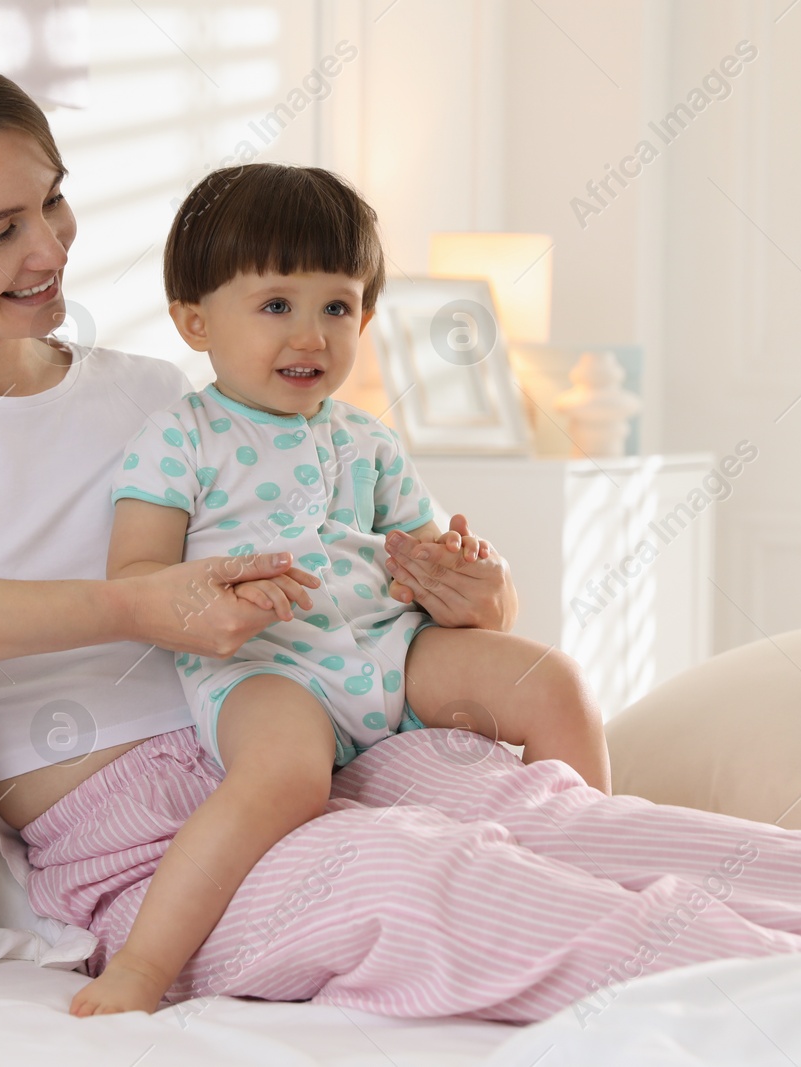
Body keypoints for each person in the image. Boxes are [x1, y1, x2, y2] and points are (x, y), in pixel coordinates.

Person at [0, 55, 801, 1024]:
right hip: (133, 822)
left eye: (54, 202)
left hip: (334, 722)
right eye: (0, 229)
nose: (52, 247)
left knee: (564, 820)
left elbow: (361, 554)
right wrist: (142, 610)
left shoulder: (163, 394)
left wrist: (463, 596)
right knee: (444, 887)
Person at [74, 162, 610, 1016]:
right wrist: (214, 597)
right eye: (277, 305)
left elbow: (445, 573)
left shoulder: (368, 440)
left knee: (552, 681)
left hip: (391, 647)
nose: (313, 334)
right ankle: (141, 966)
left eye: (338, 306)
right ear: (195, 319)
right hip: (268, 664)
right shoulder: (180, 437)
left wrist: (477, 590)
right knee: (286, 774)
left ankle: (585, 872)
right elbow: (135, 578)